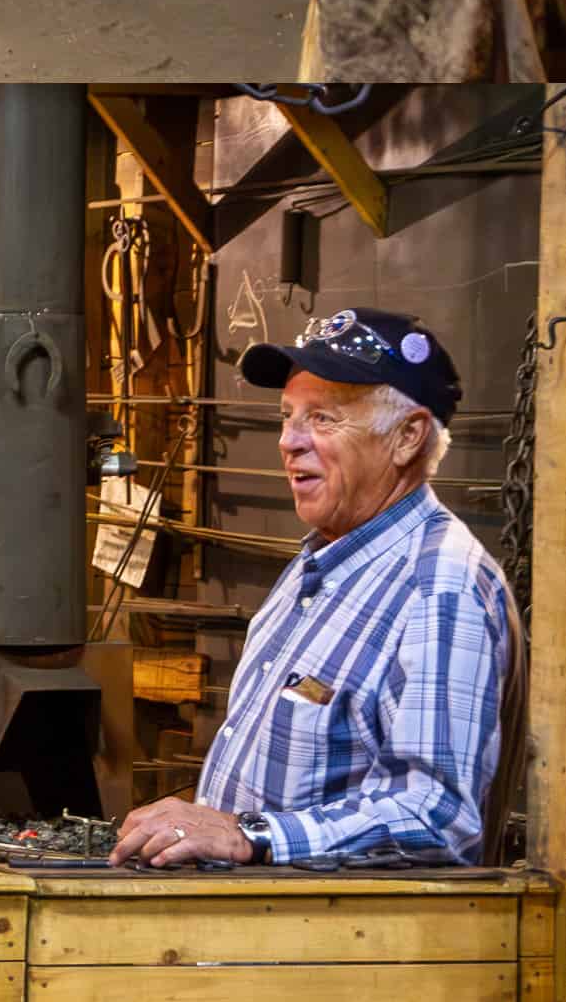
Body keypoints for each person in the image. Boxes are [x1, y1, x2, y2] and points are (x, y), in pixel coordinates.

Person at [111, 308, 521, 869]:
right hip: (253, 935)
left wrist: (248, 833)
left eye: (323, 419)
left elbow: (434, 815)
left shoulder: (438, 589)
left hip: (339, 949)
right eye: (287, 417)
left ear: (407, 437)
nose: (288, 442)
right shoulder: (324, 561)